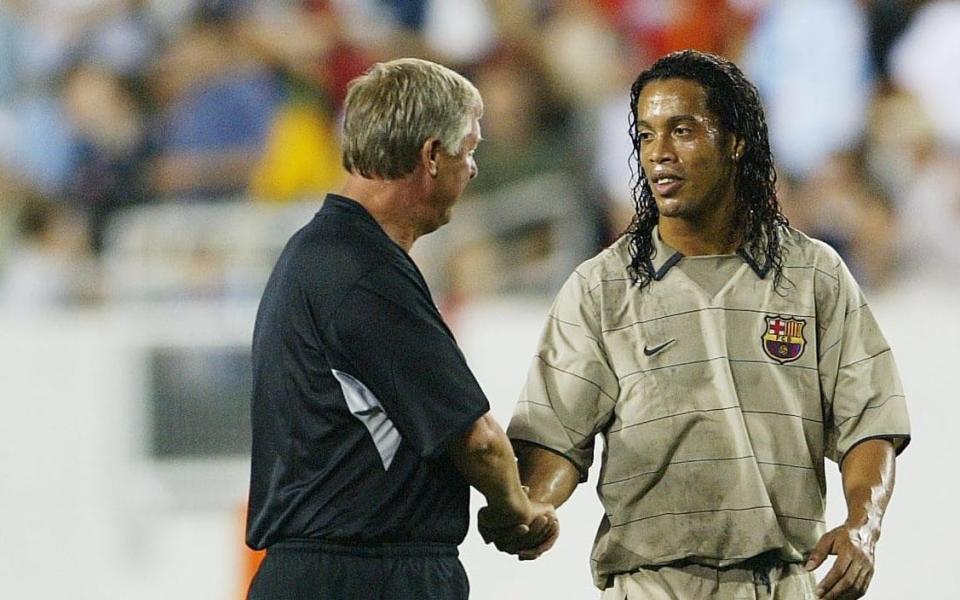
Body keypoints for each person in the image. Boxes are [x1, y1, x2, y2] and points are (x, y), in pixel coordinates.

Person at [483, 50, 911, 600]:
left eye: (682, 131)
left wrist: (863, 524)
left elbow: (870, 420)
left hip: (782, 581)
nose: (658, 154)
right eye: (645, 136)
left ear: (734, 140)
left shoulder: (813, 275)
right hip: (651, 586)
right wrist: (534, 502)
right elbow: (555, 440)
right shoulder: (600, 288)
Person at [245, 58, 557, 600]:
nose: (475, 168)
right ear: (432, 155)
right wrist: (517, 510)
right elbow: (477, 440)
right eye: (470, 149)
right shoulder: (365, 273)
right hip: (367, 574)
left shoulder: (318, 256)